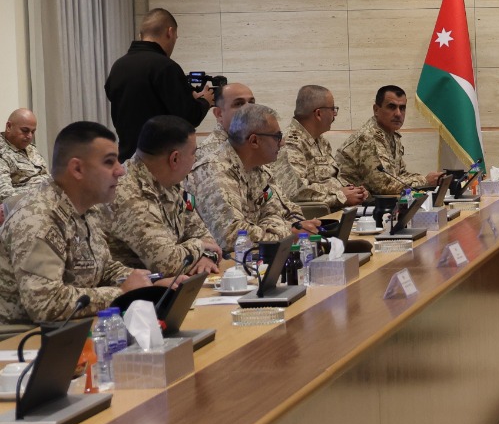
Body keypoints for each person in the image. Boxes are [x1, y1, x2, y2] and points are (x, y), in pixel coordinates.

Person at [0, 121, 153, 324]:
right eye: (109, 162)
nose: (120, 171)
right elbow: (46, 304)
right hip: (23, 334)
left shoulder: (86, 208)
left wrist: (148, 284)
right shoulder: (39, 218)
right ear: (77, 169)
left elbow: (104, 268)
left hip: (69, 326)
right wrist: (122, 293)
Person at [104, 116, 222, 278]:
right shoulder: (128, 194)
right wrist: (200, 245)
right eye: (194, 153)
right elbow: (167, 264)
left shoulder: (171, 182)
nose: (195, 159)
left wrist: (208, 256)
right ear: (175, 159)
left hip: (174, 283)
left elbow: (204, 235)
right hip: (139, 290)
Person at [188, 103, 316, 246]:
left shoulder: (258, 168)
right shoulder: (215, 171)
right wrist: (289, 233)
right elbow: (232, 237)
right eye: (277, 136)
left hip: (259, 252)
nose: (282, 143)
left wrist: (289, 228)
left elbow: (288, 212)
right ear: (254, 141)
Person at [104, 8, 213, 161]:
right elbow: (189, 117)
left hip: (126, 158)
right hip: (159, 161)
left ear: (141, 35)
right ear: (170, 32)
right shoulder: (166, 67)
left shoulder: (118, 66)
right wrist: (205, 101)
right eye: (176, 37)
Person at [274, 85, 367, 213]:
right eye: (333, 109)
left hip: (334, 213)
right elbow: (297, 192)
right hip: (313, 219)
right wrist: (340, 196)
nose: (335, 114)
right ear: (318, 113)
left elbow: (332, 178)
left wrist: (353, 191)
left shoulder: (321, 141)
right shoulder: (291, 144)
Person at [336, 86, 444, 195]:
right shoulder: (369, 138)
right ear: (376, 110)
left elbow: (400, 175)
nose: (398, 114)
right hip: (353, 203)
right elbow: (384, 186)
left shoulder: (392, 134)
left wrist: (430, 179)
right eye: (392, 107)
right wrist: (425, 181)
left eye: (402, 108)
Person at [198, 81, 256, 161]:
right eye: (239, 104)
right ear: (219, 114)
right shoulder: (210, 153)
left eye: (251, 103)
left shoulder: (255, 141)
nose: (249, 109)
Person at [0, 108, 50, 201]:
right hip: (30, 204)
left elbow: (46, 175)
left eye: (33, 132)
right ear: (9, 127)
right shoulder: (2, 152)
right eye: (25, 130)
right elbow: (5, 196)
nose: (30, 136)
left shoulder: (30, 148)